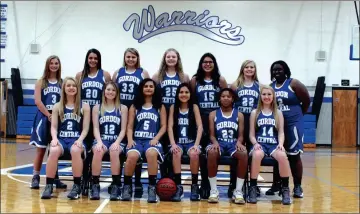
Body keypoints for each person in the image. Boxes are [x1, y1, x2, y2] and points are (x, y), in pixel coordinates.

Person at [41, 77, 90, 200]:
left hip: (77, 139)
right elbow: (54, 127)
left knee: (75, 150)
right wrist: (54, 139)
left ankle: (77, 186)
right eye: (68, 86)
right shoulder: (58, 106)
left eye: (73, 86)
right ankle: (49, 185)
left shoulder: (84, 106)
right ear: (64, 89)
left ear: (77, 89)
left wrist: (80, 140)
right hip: (62, 139)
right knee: (53, 150)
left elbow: (85, 129)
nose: (71, 88)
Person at [268, 60, 310, 198]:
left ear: (285, 70)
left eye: (279, 69)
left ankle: (297, 187)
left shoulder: (293, 84)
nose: (277, 72)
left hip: (293, 124)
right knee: (277, 154)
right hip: (276, 125)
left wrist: (298, 115)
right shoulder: (270, 87)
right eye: (274, 70)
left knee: (294, 155)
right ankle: (276, 184)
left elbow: (307, 101)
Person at [121, 78, 167, 203]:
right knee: (131, 156)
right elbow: (129, 126)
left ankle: (152, 188)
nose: (148, 88)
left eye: (151, 86)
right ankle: (127, 187)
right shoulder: (135, 106)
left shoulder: (159, 106)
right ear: (141, 88)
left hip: (151, 140)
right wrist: (130, 140)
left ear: (154, 89)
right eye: (146, 86)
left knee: (151, 154)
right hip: (137, 140)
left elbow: (164, 126)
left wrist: (156, 138)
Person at [112, 48, 150, 195]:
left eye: (133, 57)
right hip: (121, 110)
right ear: (124, 57)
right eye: (128, 56)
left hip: (137, 110)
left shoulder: (143, 72)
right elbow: (113, 90)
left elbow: (146, 90)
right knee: (123, 146)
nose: (131, 59)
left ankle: (138, 180)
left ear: (137, 58)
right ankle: (119, 180)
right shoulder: (118, 72)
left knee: (135, 144)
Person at [190, 53, 227, 199]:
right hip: (200, 118)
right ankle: (202, 182)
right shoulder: (195, 80)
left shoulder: (220, 80)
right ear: (201, 64)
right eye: (205, 62)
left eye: (210, 62)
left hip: (217, 119)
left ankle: (207, 182)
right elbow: (192, 99)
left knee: (211, 152)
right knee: (201, 152)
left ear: (214, 63)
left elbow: (226, 98)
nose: (207, 64)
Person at [75, 48, 111, 195]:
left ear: (99, 60)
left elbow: (110, 92)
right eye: (90, 58)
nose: (93, 61)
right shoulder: (80, 75)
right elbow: (76, 95)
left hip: (99, 115)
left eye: (95, 58)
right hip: (83, 115)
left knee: (95, 146)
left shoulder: (105, 75)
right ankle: (84, 177)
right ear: (87, 59)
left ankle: (93, 177)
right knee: (85, 147)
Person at [248, 85, 292, 205]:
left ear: (273, 96)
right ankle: (253, 187)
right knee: (256, 155)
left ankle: (285, 188)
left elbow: (281, 132)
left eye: (269, 94)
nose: (266, 97)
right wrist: (255, 143)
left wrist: (281, 144)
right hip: (260, 144)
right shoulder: (255, 113)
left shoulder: (278, 113)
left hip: (273, 144)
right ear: (260, 96)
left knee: (283, 156)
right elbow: (251, 134)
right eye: (264, 94)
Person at [29, 55, 67, 189]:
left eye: (56, 63)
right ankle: (35, 176)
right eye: (52, 63)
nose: (54, 65)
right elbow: (38, 101)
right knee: (41, 150)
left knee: (54, 149)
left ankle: (54, 177)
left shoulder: (62, 82)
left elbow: (64, 101)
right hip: (44, 117)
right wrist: (49, 115)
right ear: (47, 65)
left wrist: (56, 115)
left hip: (57, 118)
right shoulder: (41, 82)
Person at [152, 48, 190, 178]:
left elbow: (187, 94)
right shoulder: (157, 76)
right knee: (163, 144)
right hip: (162, 111)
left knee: (174, 144)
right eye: (168, 57)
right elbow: (154, 96)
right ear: (164, 58)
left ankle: (174, 176)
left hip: (178, 112)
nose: (171, 59)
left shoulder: (184, 76)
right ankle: (164, 176)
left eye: (173, 57)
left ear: (178, 59)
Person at [206, 88, 248, 204]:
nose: (226, 98)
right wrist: (214, 143)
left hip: (232, 144)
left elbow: (240, 135)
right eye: (223, 96)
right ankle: (214, 190)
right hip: (218, 142)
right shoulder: (213, 114)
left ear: (232, 99)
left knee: (244, 154)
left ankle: (238, 191)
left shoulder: (239, 115)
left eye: (228, 96)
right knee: (212, 152)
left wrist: (239, 143)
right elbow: (211, 135)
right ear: (219, 98)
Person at [89, 81, 128, 201]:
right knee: (98, 150)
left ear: (117, 93)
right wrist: (99, 142)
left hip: (117, 139)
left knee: (115, 151)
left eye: (113, 90)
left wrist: (117, 142)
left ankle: (116, 185)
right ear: (104, 91)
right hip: (103, 139)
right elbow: (95, 127)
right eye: (108, 90)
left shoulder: (123, 108)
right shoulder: (97, 107)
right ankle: (95, 185)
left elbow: (123, 130)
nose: (110, 92)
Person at [167, 83, 203, 201]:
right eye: (181, 92)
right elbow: (169, 127)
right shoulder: (173, 107)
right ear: (177, 94)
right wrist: (173, 144)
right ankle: (178, 186)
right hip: (178, 142)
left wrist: (196, 145)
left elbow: (200, 127)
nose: (183, 94)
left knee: (194, 154)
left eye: (186, 92)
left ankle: (194, 186)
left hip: (191, 142)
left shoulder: (194, 107)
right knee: (176, 153)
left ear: (190, 94)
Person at [230, 60, 260, 197]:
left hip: (254, 122)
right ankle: (233, 183)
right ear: (242, 69)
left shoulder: (259, 86)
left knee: (253, 154)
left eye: (252, 67)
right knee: (236, 153)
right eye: (246, 67)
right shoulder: (235, 85)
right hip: (239, 121)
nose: (249, 69)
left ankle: (253, 184)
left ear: (255, 70)